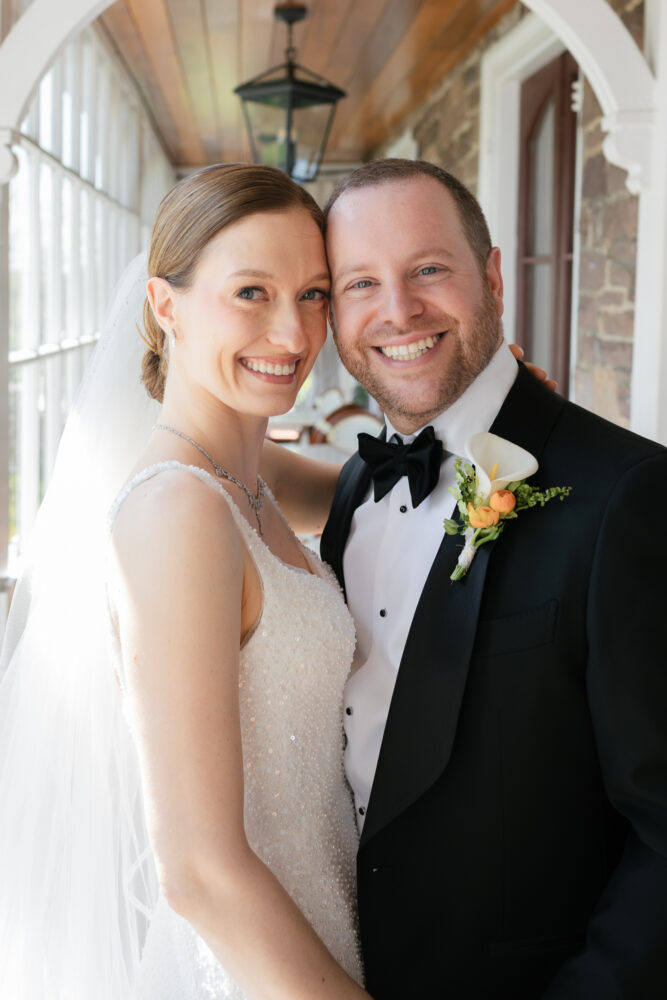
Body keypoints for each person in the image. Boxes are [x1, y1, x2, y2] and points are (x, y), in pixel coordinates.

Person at [0, 163, 370, 1000]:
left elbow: (370, 488)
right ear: (165, 307)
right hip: (262, 970)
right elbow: (197, 870)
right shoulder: (179, 512)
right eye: (250, 292)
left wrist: (488, 433)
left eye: (314, 294)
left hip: (327, 921)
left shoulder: (246, 470)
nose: (292, 332)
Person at [319, 158, 667, 999]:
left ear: (492, 275)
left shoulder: (629, 495)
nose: (397, 311)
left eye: (427, 270)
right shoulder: (354, 487)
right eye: (360, 283)